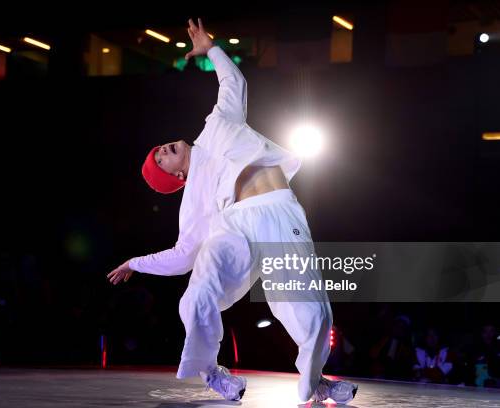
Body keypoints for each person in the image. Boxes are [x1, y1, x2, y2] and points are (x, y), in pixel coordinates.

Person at [107, 18, 357, 404]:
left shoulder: (217, 123)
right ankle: (212, 372)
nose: (161, 151)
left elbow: (234, 84)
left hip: (280, 215)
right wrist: (136, 263)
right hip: (235, 225)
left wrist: (212, 49)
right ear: (175, 178)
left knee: (313, 311)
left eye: (158, 150)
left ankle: (315, 381)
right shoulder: (192, 201)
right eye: (160, 161)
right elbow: (183, 255)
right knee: (198, 291)